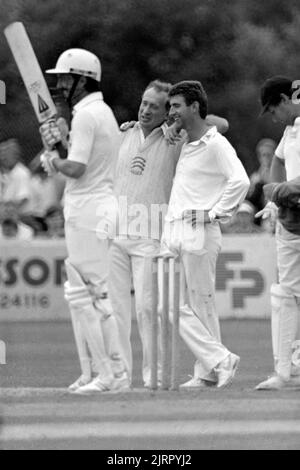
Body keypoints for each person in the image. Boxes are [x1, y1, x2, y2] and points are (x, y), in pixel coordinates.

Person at [109, 79, 229, 388]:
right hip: (117, 232)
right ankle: (115, 378)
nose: (146, 109)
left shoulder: (177, 137)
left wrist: (177, 123)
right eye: (143, 103)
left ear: (168, 112)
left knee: (150, 311)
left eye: (154, 106)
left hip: (151, 234)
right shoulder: (126, 132)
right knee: (115, 311)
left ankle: (157, 378)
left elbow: (220, 124)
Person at [39, 48, 127, 394]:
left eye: (64, 78)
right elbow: (77, 160)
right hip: (93, 206)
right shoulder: (96, 113)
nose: (59, 84)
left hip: (89, 210)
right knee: (84, 294)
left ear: (82, 79)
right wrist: (62, 143)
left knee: (86, 295)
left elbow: (75, 168)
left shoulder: (88, 115)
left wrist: (52, 158)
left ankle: (108, 376)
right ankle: (97, 373)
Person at [161, 80, 250, 388]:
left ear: (194, 107)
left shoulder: (215, 143)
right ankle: (216, 363)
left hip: (199, 232)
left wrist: (213, 213)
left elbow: (239, 181)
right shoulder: (185, 141)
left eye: (176, 106)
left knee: (201, 304)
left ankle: (210, 370)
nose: (170, 111)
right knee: (168, 304)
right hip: (174, 230)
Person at [255, 76, 300, 390]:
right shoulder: (290, 132)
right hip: (290, 224)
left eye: (273, 110)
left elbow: (281, 184)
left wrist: (279, 190)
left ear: (286, 99)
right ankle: (283, 372)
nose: (273, 117)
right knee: (285, 294)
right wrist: (276, 197)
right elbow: (279, 163)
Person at [0, 138, 32, 213]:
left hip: (21, 216)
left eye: (5, 153)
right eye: (1, 153)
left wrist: (6, 210)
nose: (3, 157)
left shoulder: (23, 173)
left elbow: (23, 199)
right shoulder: (2, 172)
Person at [247, 138, 277, 216]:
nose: (266, 158)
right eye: (263, 155)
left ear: (274, 155)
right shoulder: (255, 177)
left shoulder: (282, 174)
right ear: (259, 157)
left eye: (269, 155)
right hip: (258, 215)